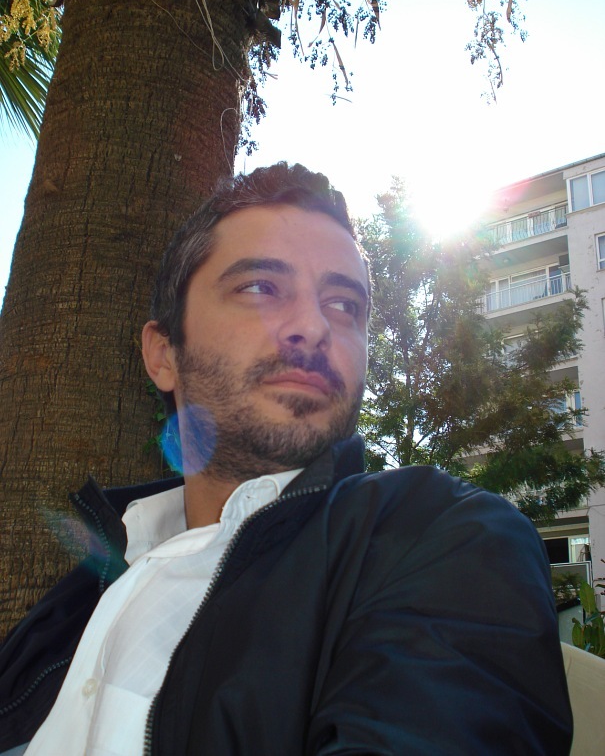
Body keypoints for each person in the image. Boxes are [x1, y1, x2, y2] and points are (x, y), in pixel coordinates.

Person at [0, 162, 572, 755]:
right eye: (259, 288)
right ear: (164, 354)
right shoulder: (84, 584)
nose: (313, 326)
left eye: (344, 304)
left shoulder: (443, 537)